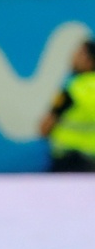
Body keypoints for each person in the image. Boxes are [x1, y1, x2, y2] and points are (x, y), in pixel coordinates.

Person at [39, 38, 95, 171]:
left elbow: (44, 127)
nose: (73, 56)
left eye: (79, 53)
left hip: (67, 161)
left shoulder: (73, 89)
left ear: (89, 61)